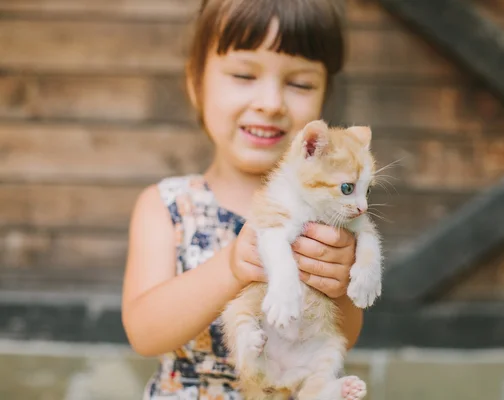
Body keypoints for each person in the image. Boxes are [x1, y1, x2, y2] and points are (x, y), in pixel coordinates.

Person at [121, 0, 363, 398]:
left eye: (300, 84)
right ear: (195, 84)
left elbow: (342, 337)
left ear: (323, 99)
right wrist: (232, 268)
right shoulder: (167, 205)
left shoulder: (327, 213)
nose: (271, 103)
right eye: (243, 74)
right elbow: (145, 334)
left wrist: (339, 287)